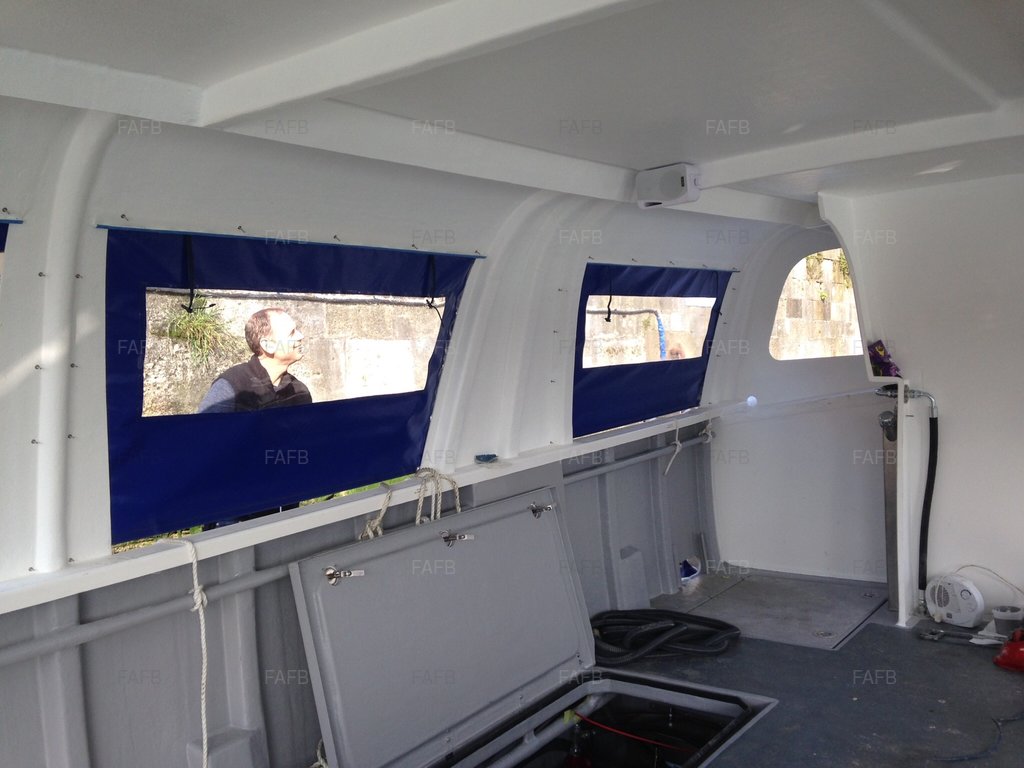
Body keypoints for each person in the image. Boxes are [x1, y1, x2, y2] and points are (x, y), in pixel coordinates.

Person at [198, 307, 312, 413]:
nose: (300, 336)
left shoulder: (300, 392)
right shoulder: (232, 384)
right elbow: (205, 427)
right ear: (268, 345)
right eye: (292, 333)